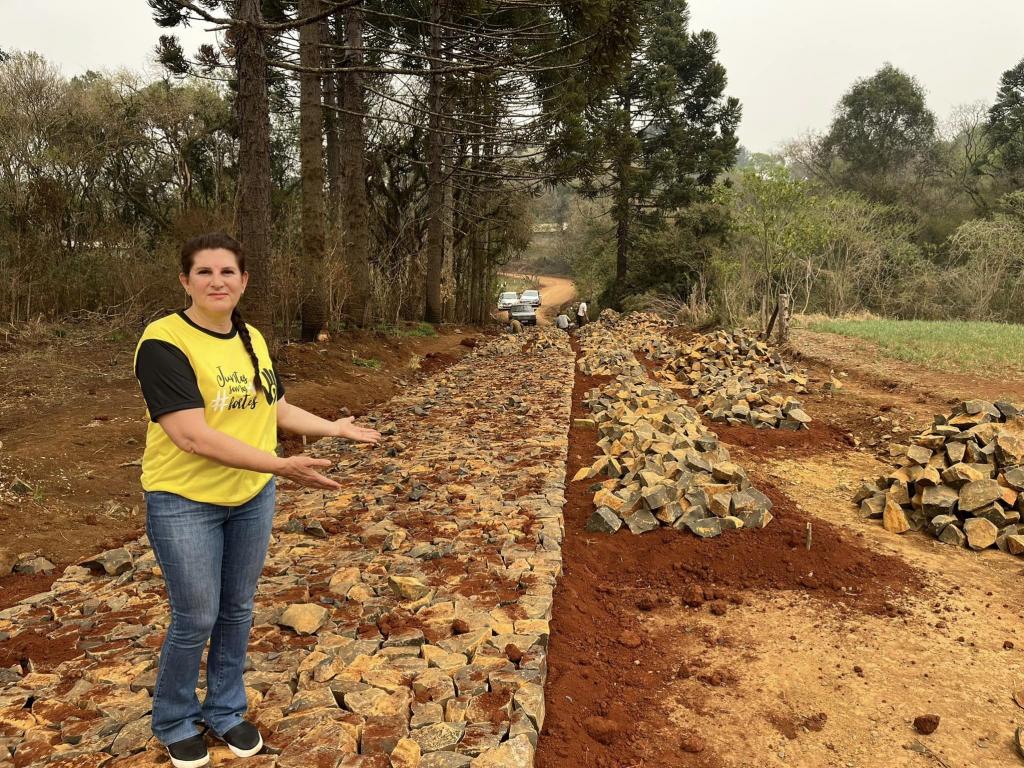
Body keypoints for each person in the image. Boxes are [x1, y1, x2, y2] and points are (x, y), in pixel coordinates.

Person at [134, 233, 381, 768]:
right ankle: (174, 719)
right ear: (185, 281)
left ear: (244, 281)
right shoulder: (163, 341)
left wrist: (335, 428)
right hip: (184, 499)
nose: (217, 281)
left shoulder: (252, 338)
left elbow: (277, 410)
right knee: (196, 616)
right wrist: (280, 465)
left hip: (249, 496)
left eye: (228, 272)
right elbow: (191, 436)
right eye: (204, 272)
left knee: (237, 609)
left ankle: (225, 710)